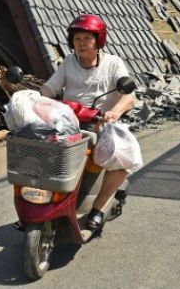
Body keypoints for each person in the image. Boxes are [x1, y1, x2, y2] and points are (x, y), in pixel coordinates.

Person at [40, 14, 135, 232]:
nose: (80, 43)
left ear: (98, 40)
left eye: (86, 39)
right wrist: (36, 98)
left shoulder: (113, 63)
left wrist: (115, 111)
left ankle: (98, 208)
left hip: (102, 123)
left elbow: (129, 96)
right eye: (76, 39)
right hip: (69, 121)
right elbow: (50, 87)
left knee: (121, 157)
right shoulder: (68, 62)